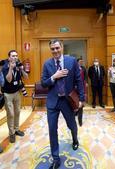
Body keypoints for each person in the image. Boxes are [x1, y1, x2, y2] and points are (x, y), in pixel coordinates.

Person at [41, 39, 85, 169]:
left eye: (57, 48)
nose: (55, 51)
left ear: (61, 48)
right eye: (53, 49)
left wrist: (81, 99)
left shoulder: (71, 61)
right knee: (52, 129)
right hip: (53, 101)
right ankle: (55, 158)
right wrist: (54, 76)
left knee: (71, 124)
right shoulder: (47, 64)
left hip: (68, 101)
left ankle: (75, 139)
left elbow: (79, 80)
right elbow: (43, 83)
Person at [1, 50, 28, 143]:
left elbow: (26, 77)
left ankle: (16, 130)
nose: (15, 57)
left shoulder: (18, 66)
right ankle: (11, 133)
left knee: (17, 112)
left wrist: (21, 69)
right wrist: (10, 69)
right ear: (9, 58)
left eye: (16, 55)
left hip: (17, 93)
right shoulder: (4, 67)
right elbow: (8, 80)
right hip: (7, 94)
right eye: (13, 56)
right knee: (11, 114)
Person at [76, 57, 87, 126]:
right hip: (74, 88)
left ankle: (80, 120)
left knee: (81, 103)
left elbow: (85, 77)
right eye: (80, 61)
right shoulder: (74, 68)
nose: (81, 63)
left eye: (81, 62)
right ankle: (75, 113)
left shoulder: (83, 68)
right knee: (75, 102)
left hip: (82, 87)